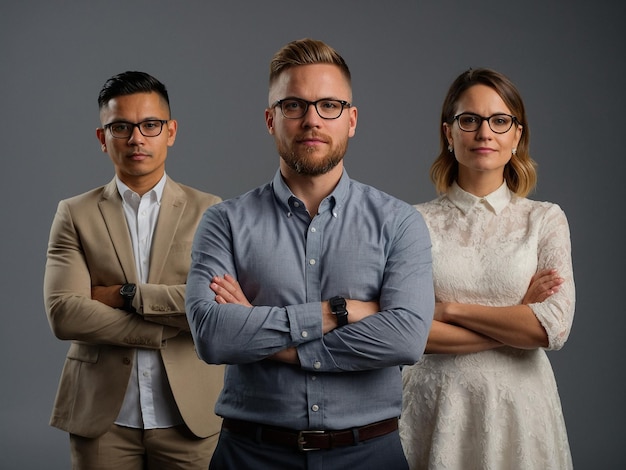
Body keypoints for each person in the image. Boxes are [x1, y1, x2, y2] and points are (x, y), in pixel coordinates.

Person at [185, 38, 434, 470]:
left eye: (329, 106)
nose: (312, 120)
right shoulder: (223, 221)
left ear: (351, 120)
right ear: (271, 119)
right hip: (249, 455)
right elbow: (213, 334)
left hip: (370, 456)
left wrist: (260, 331)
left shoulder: (400, 223)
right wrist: (338, 311)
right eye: (294, 105)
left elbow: (406, 338)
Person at [43, 71, 225, 470]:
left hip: (189, 417)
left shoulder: (211, 211)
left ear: (171, 131)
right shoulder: (74, 213)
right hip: (101, 420)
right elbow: (64, 313)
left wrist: (126, 295)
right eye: (120, 127)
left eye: (150, 125)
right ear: (101, 137)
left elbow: (216, 307)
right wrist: (167, 326)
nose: (136, 138)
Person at [399, 68, 575, 469]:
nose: (484, 133)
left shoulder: (545, 220)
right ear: (449, 133)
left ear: (517, 135)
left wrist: (448, 310)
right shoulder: (412, 222)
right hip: (436, 407)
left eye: (500, 120)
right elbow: (409, 331)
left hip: (520, 408)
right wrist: (517, 318)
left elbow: (554, 327)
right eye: (469, 120)